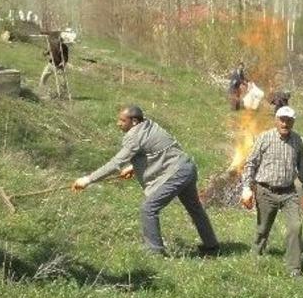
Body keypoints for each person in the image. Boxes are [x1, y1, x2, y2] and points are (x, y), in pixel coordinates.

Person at [72, 105, 220, 256]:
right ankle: (212, 246)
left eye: (122, 120)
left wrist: (88, 179)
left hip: (176, 173)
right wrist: (133, 167)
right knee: (195, 208)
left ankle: (154, 252)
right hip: (187, 168)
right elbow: (156, 151)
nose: (118, 123)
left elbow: (115, 163)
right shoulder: (148, 125)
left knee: (148, 208)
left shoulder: (135, 136)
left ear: (134, 121)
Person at [241, 106, 303, 277]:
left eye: (289, 120)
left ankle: (294, 268)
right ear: (276, 120)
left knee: (296, 226)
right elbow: (250, 163)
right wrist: (246, 188)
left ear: (293, 122)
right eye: (282, 119)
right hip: (266, 191)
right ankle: (256, 255)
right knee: (262, 229)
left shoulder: (297, 140)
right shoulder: (265, 138)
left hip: (289, 193)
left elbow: (302, 166)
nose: (285, 123)